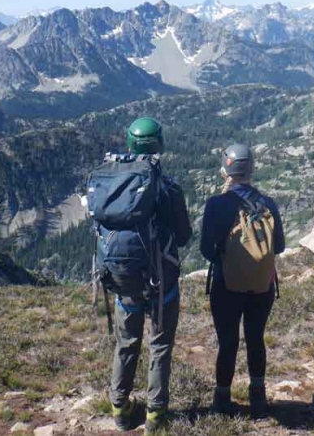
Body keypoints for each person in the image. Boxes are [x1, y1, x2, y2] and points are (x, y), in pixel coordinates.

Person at [90, 117, 192, 434]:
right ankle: (155, 418)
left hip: (122, 281)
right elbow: (185, 235)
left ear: (130, 144)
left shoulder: (109, 184)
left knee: (126, 343)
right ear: (159, 144)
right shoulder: (167, 188)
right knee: (159, 347)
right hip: (161, 281)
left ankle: (120, 410)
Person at [199, 143, 285, 419]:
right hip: (263, 285)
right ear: (251, 169)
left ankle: (222, 398)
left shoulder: (216, 204)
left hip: (226, 284)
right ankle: (258, 398)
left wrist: (227, 259)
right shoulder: (268, 203)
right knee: (255, 337)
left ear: (226, 170)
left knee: (228, 342)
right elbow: (279, 247)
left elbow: (205, 249)